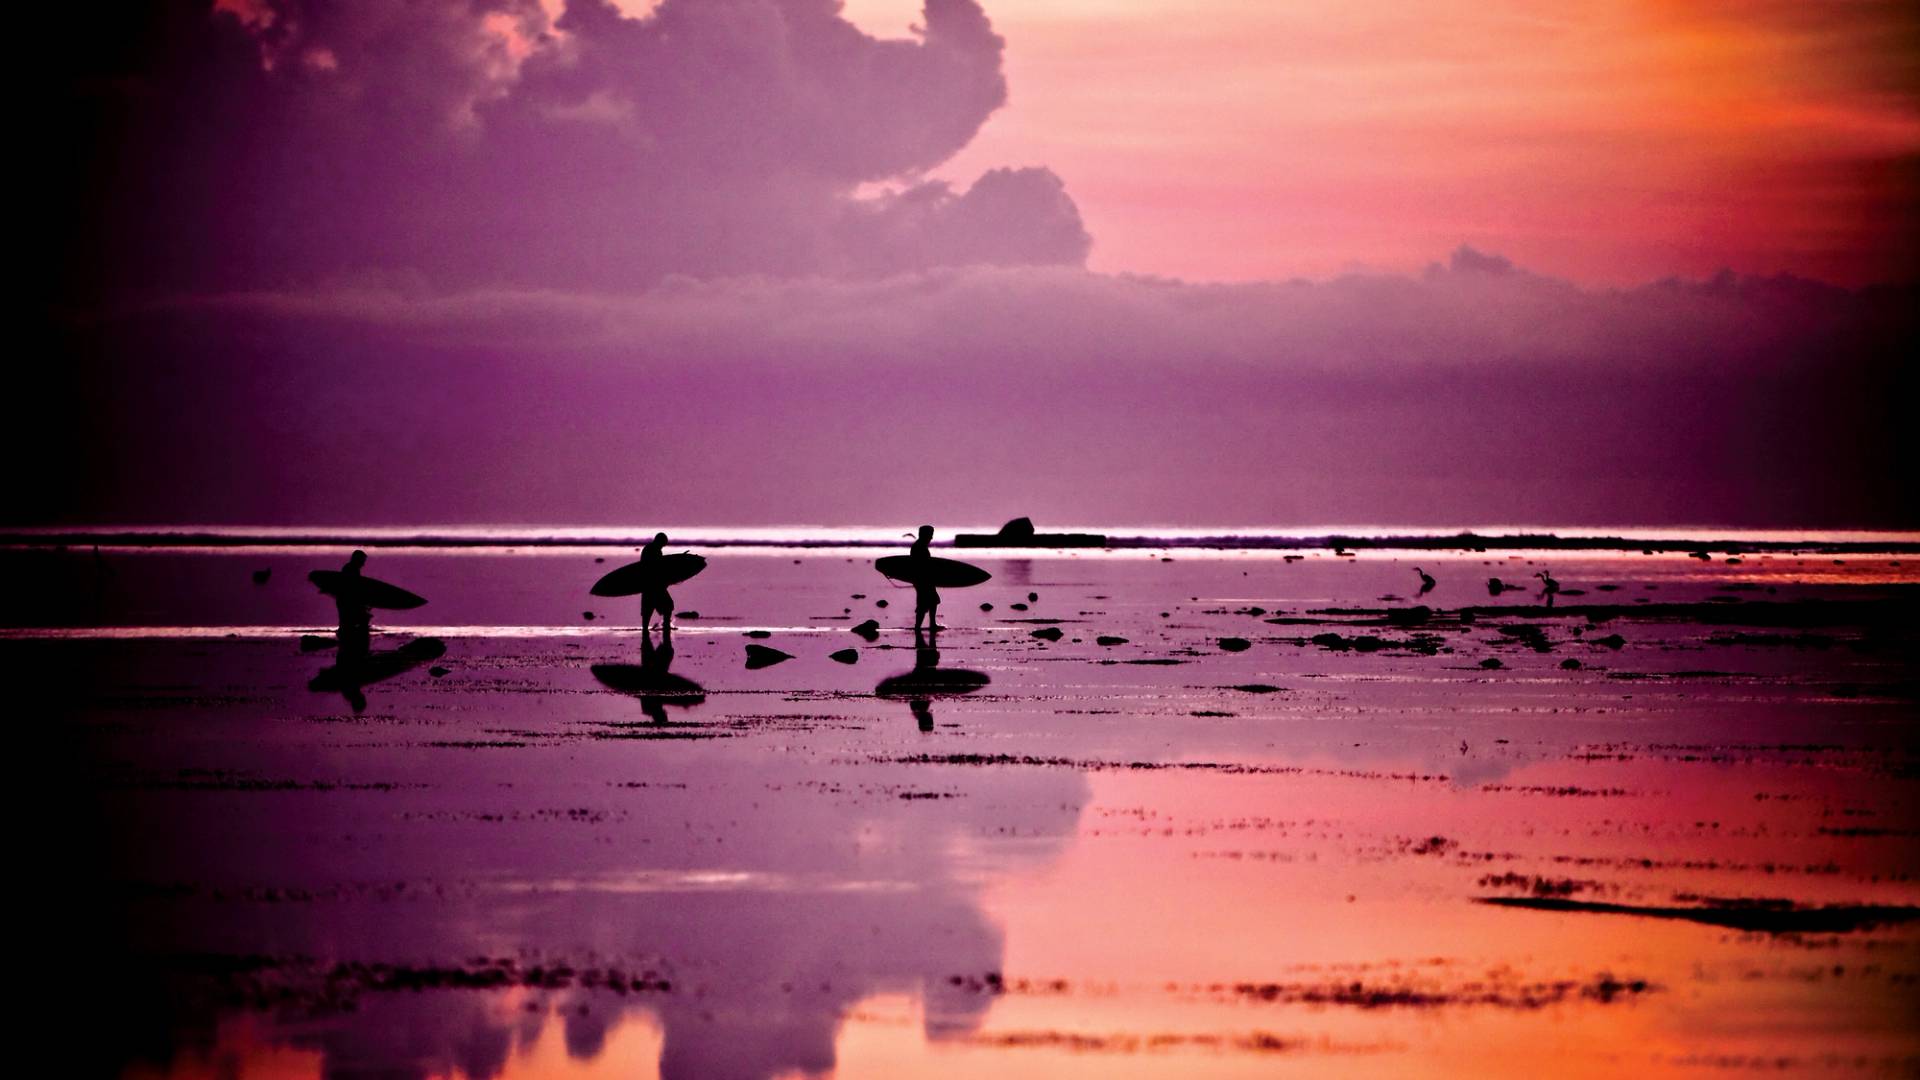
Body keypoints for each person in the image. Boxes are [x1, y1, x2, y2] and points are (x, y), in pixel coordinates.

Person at [334, 549, 373, 661]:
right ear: (357, 559)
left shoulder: (351, 569)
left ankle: (349, 646)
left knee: (348, 623)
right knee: (349, 623)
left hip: (345, 601)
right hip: (346, 601)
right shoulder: (350, 570)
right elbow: (352, 589)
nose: (364, 563)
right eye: (363, 561)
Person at [640, 532, 676, 634]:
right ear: (660, 541)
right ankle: (665, 626)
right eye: (663, 543)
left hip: (648, 584)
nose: (663, 546)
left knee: (648, 609)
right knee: (667, 605)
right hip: (654, 585)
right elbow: (656, 568)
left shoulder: (650, 548)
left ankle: (650, 628)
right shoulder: (653, 550)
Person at [909, 525, 941, 634]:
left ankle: (931, 624)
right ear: (924, 535)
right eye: (930, 535)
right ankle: (918, 627)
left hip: (924, 579)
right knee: (924, 603)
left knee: (932, 601)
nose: (931, 538)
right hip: (922, 580)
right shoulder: (919, 547)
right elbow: (921, 565)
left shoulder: (920, 546)